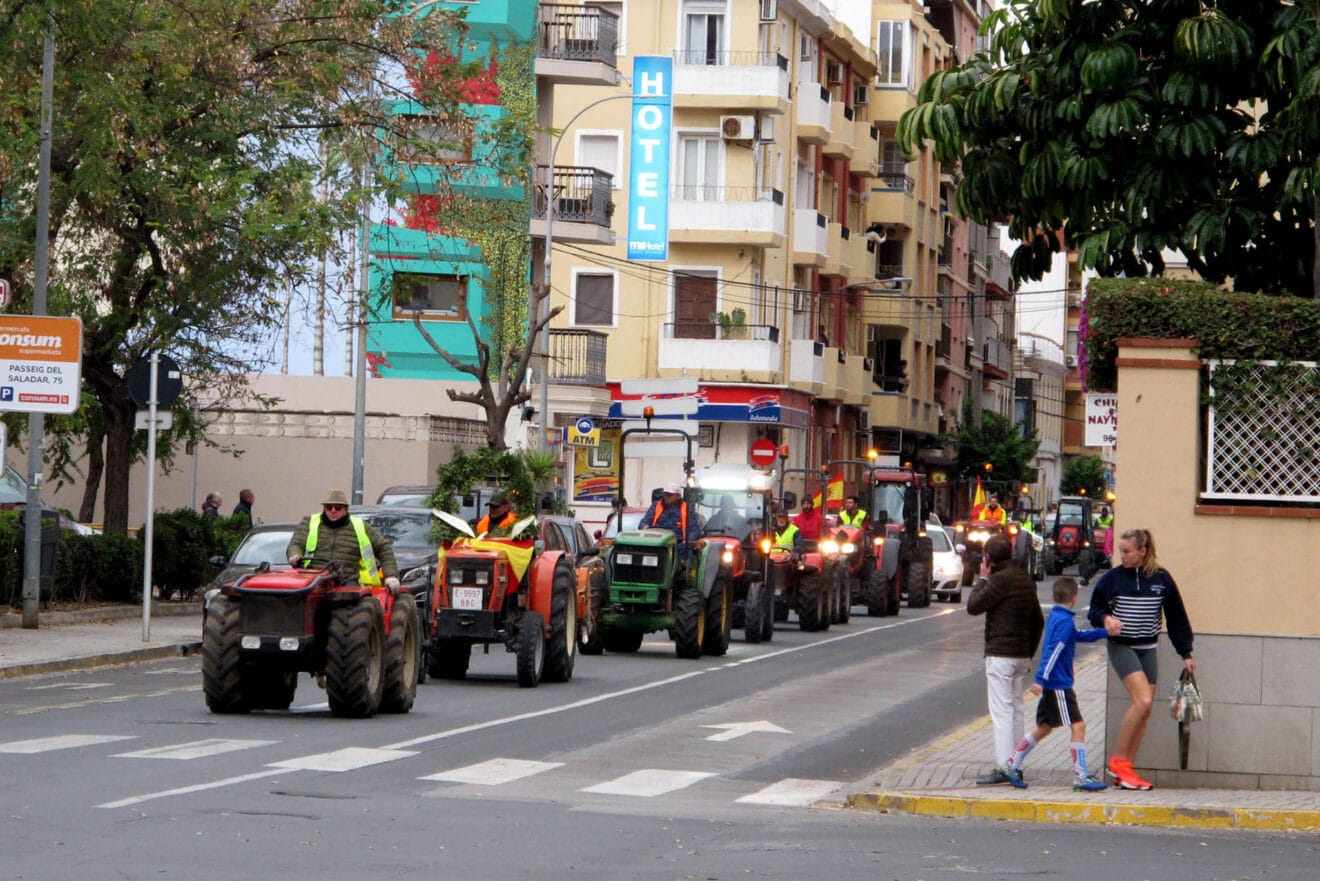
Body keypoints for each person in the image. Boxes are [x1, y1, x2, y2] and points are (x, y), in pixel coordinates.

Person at [1088, 527, 1195, 791]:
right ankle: (1118, 762)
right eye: (1120, 551)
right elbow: (1095, 610)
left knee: (1145, 709)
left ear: (1143, 551)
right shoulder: (1112, 579)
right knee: (1143, 699)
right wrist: (1106, 619)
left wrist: (1186, 652)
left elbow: (1177, 617)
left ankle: (1126, 771)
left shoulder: (1161, 579)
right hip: (1122, 646)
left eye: (1127, 551)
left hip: (1149, 648)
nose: (1121, 556)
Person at [1003, 577, 1112, 792]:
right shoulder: (1065, 622)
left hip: (1054, 682)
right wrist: (1041, 680)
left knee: (1044, 727)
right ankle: (1081, 776)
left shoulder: (1056, 617)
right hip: (1059, 684)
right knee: (1078, 726)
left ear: (1053, 597)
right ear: (1075, 598)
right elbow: (1054, 651)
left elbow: (1074, 637)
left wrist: (1105, 632)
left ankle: (1012, 763)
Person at [967, 533, 1045, 786]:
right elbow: (1038, 622)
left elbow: (973, 606)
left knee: (1002, 713)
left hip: (1000, 655)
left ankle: (1004, 766)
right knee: (1016, 710)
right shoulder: (1025, 580)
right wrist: (1028, 652)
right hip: (1020, 656)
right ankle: (1017, 763)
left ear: (988, 559)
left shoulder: (999, 581)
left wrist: (982, 578)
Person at [286, 489, 400, 593]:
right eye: (329, 507)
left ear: (346, 509)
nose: (333, 510)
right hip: (313, 577)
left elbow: (384, 548)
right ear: (324, 508)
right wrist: (295, 555)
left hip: (346, 579)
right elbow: (296, 544)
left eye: (338, 507)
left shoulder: (359, 526)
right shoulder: (310, 522)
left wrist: (390, 576)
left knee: (354, 602)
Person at [639, 483, 700, 555]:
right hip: (656, 544)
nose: (667, 496)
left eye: (670, 494)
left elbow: (695, 529)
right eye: (665, 494)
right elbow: (644, 522)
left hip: (678, 547)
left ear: (678, 496)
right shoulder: (656, 506)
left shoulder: (686, 509)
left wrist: (688, 541)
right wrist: (645, 527)